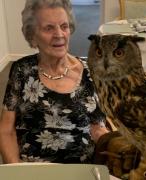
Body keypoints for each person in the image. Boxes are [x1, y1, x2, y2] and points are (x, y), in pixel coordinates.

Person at [0, 0, 109, 164]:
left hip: (80, 170)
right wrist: (16, 171)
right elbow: (6, 130)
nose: (59, 34)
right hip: (32, 171)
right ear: (32, 36)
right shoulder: (22, 70)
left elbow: (98, 128)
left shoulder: (90, 73)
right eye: (48, 28)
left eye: (64, 26)